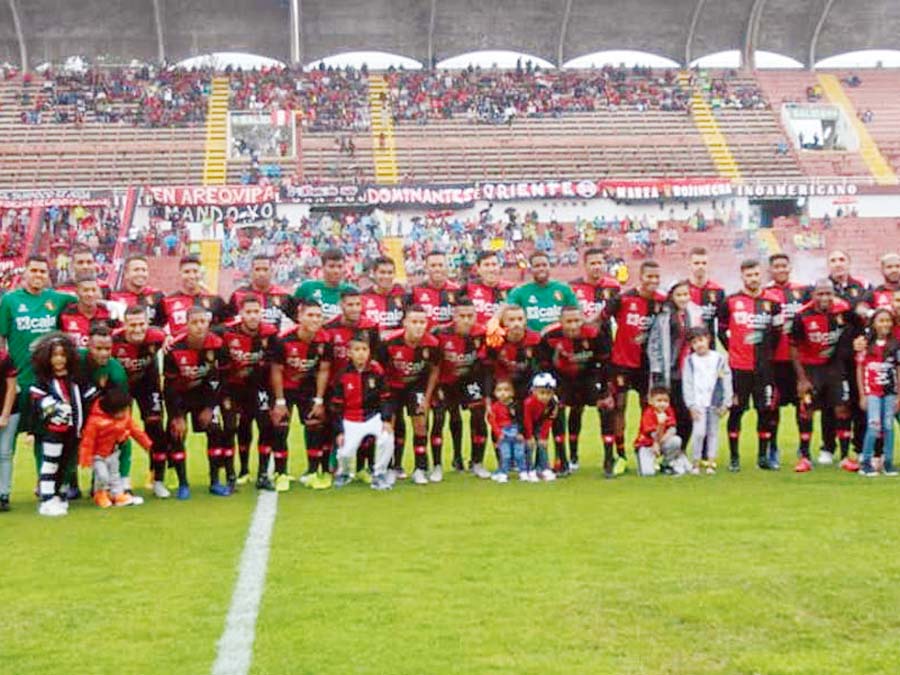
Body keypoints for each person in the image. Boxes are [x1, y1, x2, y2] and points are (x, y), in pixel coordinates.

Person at [0, 256, 75, 450]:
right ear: (25, 272)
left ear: (48, 275)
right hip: (17, 383)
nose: (38, 275)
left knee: (46, 438)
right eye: (34, 270)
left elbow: (86, 299)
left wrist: (109, 304)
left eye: (42, 271)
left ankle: (45, 481)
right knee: (7, 442)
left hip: (46, 384)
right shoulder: (10, 301)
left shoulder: (58, 299)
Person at [718, 259, 783, 472]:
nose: (753, 279)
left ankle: (762, 457)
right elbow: (721, 331)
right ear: (742, 277)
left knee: (765, 412)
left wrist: (765, 355)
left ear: (761, 275)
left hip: (764, 369)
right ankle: (734, 458)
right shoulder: (730, 301)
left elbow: (777, 333)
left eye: (756, 274)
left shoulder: (773, 302)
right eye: (749, 275)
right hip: (739, 368)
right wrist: (734, 349)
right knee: (737, 411)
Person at [601, 259, 665, 472]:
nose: (653, 281)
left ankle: (645, 450)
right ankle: (620, 456)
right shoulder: (623, 299)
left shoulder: (662, 302)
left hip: (648, 365)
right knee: (619, 408)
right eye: (649, 277)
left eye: (656, 277)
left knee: (649, 409)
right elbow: (600, 321)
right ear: (641, 277)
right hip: (621, 363)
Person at [790, 279, 858, 472]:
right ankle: (804, 457)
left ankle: (845, 457)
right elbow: (794, 348)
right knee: (806, 411)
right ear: (813, 296)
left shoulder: (843, 310)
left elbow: (860, 328)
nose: (825, 298)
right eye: (820, 294)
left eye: (828, 293)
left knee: (842, 409)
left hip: (836, 369)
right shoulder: (802, 316)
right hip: (812, 370)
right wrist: (802, 379)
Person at [163, 306, 231, 499]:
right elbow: (168, 386)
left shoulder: (218, 345)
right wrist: (176, 416)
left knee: (215, 430)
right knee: (176, 435)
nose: (200, 326)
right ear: (187, 324)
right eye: (195, 322)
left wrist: (210, 408)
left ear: (208, 323)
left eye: (203, 322)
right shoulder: (174, 348)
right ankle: (183, 484)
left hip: (205, 395)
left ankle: (215, 481)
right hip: (180, 396)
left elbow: (223, 379)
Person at [539, 305, 614, 475]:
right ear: (561, 322)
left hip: (589, 376)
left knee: (605, 407)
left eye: (577, 321)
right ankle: (563, 460)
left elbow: (605, 362)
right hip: (562, 379)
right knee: (557, 410)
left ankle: (609, 459)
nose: (573, 326)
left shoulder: (595, 334)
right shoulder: (549, 337)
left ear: (583, 320)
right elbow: (544, 366)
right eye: (569, 321)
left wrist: (605, 388)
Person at [30, 333, 96, 516]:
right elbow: (37, 398)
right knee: (50, 463)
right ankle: (47, 498)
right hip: (53, 431)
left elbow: (90, 396)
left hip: (74, 430)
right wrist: (54, 408)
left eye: (62, 355)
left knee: (67, 464)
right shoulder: (45, 380)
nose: (58, 359)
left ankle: (59, 494)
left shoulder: (76, 377)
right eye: (54, 355)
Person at [218, 296, 280, 490]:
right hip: (231, 388)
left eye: (256, 312)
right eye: (248, 312)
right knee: (230, 428)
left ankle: (262, 474)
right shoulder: (226, 332)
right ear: (241, 313)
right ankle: (232, 474)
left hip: (258, 388)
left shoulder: (270, 333)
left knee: (266, 425)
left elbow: (276, 362)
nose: (253, 316)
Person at [269, 301, 332, 489]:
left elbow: (323, 371)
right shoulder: (283, 340)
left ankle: (312, 473)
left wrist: (319, 400)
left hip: (307, 388)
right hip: (285, 388)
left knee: (315, 425)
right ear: (300, 317)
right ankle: (281, 474)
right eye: (310, 315)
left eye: (318, 316)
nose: (314, 320)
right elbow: (276, 371)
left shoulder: (325, 340)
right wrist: (279, 401)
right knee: (280, 427)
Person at [427, 299, 489, 478]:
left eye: (470, 316)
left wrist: (486, 391)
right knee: (440, 418)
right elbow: (432, 363)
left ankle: (477, 462)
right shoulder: (439, 333)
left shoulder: (482, 333)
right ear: (454, 316)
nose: (467, 320)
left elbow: (486, 364)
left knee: (478, 416)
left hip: (470, 381)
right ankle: (438, 465)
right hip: (445, 382)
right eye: (462, 316)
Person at [379, 305, 440, 484]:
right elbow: (378, 369)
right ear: (405, 322)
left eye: (422, 322)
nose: (418, 326)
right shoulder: (389, 342)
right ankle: (392, 467)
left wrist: (427, 398)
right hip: (392, 387)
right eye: (414, 322)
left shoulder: (433, 344)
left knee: (420, 424)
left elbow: (435, 371)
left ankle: (420, 468)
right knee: (390, 427)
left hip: (416, 387)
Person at [112, 306, 168, 498]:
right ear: (124, 325)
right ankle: (118, 480)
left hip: (148, 385)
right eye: (132, 325)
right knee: (119, 431)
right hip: (121, 388)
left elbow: (173, 340)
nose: (137, 329)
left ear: (148, 324)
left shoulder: (158, 337)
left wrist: (169, 341)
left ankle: (157, 478)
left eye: (141, 324)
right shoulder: (113, 340)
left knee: (156, 429)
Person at [330, 333, 395, 491]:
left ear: (369, 351)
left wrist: (386, 420)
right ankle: (344, 473)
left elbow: (385, 397)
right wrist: (339, 431)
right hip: (351, 419)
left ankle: (379, 474)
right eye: (357, 349)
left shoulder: (376, 370)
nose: (361, 353)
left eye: (364, 349)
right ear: (349, 353)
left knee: (386, 438)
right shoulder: (342, 374)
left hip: (372, 416)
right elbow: (336, 407)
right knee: (345, 451)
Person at [763, 253, 810, 467]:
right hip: (775, 361)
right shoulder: (765, 294)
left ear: (790, 267)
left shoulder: (803, 291)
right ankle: (773, 448)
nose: (781, 269)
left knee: (804, 406)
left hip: (799, 361)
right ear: (770, 269)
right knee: (773, 407)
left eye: (784, 265)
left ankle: (804, 450)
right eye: (776, 266)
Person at [647, 279, 704, 451]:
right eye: (679, 294)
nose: (683, 298)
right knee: (669, 414)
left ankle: (681, 451)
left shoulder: (695, 314)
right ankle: (665, 451)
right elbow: (654, 344)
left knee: (688, 413)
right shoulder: (664, 316)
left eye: (686, 294)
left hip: (689, 372)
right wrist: (657, 368)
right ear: (672, 296)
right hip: (670, 372)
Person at [78, 387, 152, 508]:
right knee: (102, 476)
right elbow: (88, 440)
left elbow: (135, 431)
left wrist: (147, 445)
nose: (123, 414)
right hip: (98, 455)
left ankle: (117, 495)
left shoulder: (125, 418)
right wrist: (85, 457)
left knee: (114, 476)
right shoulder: (95, 421)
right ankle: (100, 493)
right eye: (120, 411)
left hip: (113, 452)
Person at [681, 327, 732, 474]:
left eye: (701, 340)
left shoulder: (719, 359)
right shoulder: (690, 361)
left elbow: (726, 380)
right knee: (699, 432)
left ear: (708, 339)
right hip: (698, 402)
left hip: (714, 401)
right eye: (695, 342)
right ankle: (696, 462)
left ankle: (711, 462)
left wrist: (726, 402)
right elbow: (688, 383)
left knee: (713, 432)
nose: (699, 344)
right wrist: (690, 404)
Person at [856, 308, 900, 476]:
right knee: (874, 425)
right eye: (881, 320)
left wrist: (898, 396)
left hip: (890, 392)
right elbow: (860, 370)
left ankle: (888, 462)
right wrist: (862, 395)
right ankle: (866, 463)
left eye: (888, 320)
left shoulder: (896, 345)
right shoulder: (865, 345)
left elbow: (898, 371)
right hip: (872, 392)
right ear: (873, 323)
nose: (885, 324)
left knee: (889, 426)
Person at [154, 255, 229, 336]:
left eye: (195, 271)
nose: (192, 276)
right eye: (187, 272)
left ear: (201, 274)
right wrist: (166, 337)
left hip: (208, 348)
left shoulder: (215, 300)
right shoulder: (167, 301)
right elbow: (157, 329)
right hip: (179, 348)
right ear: (180, 274)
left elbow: (228, 326)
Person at [507, 251, 579, 333]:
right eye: (537, 266)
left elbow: (577, 315)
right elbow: (507, 311)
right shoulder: (519, 291)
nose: (541, 268)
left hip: (559, 338)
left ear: (549, 267)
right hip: (532, 340)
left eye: (544, 265)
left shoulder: (564, 289)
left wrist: (552, 328)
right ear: (530, 269)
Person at [228, 255, 294, 330]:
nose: (261, 274)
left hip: (272, 340)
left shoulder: (283, 296)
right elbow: (228, 324)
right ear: (251, 272)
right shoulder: (238, 295)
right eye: (257, 269)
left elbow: (298, 321)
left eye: (265, 269)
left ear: (272, 271)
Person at [634, 386, 688, 476]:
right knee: (648, 473)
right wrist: (660, 424)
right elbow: (653, 434)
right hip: (647, 445)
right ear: (651, 401)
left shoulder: (669, 411)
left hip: (659, 442)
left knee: (676, 440)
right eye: (659, 401)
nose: (662, 404)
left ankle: (666, 464)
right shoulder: (648, 413)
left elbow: (672, 429)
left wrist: (659, 443)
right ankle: (643, 461)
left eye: (665, 401)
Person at [293, 247, 354, 322]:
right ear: (322, 267)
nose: (336, 271)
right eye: (331, 266)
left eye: (340, 266)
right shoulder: (307, 287)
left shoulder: (350, 291)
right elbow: (291, 311)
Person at [58, 273, 118, 348]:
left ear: (99, 292)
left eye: (94, 290)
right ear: (77, 292)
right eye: (85, 290)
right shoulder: (65, 314)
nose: (90, 294)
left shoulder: (109, 314)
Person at [407, 250, 460, 328]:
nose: (437, 269)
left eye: (440, 265)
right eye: (433, 265)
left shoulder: (457, 290)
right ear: (426, 268)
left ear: (446, 267)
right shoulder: (415, 291)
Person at [522, 372, 559, 481]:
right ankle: (530, 469)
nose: (545, 396)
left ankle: (544, 468)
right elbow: (526, 420)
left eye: (548, 393)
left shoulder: (552, 403)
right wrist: (529, 436)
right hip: (526, 425)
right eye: (542, 393)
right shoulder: (528, 403)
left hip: (540, 424)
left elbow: (548, 419)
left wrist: (544, 436)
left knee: (542, 445)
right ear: (534, 391)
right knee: (529, 446)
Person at [487, 379, 526, 484]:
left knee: (519, 454)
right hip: (503, 434)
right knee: (505, 454)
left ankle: (523, 472)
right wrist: (499, 434)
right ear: (495, 393)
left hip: (516, 431)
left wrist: (521, 433)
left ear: (512, 392)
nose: (503, 393)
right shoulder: (494, 407)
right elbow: (491, 420)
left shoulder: (516, 406)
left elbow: (521, 419)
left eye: (506, 390)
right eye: (499, 390)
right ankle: (503, 473)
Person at [109, 255, 165, 326]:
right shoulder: (114, 297)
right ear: (126, 274)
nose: (141, 273)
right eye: (136, 270)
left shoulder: (157, 296)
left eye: (144, 270)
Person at [570, 247, 621, 323]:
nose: (597, 267)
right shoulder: (573, 286)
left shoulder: (613, 286)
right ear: (585, 265)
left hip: (605, 333)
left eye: (600, 263)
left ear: (604, 264)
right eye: (592, 263)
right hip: (581, 332)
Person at [360, 256, 406, 338]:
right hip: (372, 347)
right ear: (373, 273)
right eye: (382, 272)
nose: (386, 276)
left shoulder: (403, 296)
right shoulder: (363, 296)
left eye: (390, 273)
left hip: (396, 347)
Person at [466, 252, 513, 326]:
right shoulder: (467, 289)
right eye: (486, 265)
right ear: (478, 269)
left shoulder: (511, 290)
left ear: (499, 267)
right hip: (476, 336)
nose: (491, 269)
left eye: (494, 264)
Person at [686, 246, 725, 336]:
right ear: (689, 264)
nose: (701, 266)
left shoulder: (718, 291)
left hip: (709, 346)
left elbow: (723, 323)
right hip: (686, 346)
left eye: (704, 263)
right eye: (696, 263)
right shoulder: (681, 290)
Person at [0, 347, 18, 511]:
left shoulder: (4, 357)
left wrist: (5, 414)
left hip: (9, 411)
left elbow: (11, 386)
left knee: (4, 453)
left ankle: (3, 494)